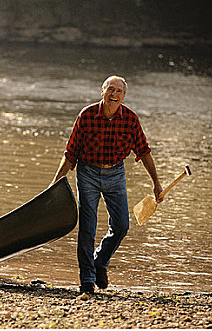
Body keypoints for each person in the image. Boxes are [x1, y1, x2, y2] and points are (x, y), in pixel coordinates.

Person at [51, 75, 163, 294]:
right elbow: (71, 152)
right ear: (102, 91)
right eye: (110, 89)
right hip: (88, 172)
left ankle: (100, 261)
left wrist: (156, 183)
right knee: (87, 228)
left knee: (122, 225)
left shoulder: (130, 119)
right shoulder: (87, 115)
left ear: (124, 96)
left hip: (116, 172)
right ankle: (87, 281)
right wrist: (55, 182)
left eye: (119, 91)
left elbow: (143, 151)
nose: (114, 94)